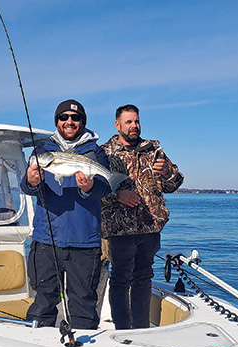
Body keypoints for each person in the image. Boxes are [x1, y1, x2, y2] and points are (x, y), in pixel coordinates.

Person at [21, 99, 111, 329]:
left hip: (84, 241)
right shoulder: (42, 150)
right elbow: (27, 186)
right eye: (64, 117)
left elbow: (104, 188)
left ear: (82, 122)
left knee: (83, 303)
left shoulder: (95, 152)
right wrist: (31, 182)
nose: (69, 122)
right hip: (46, 238)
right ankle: (37, 346)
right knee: (43, 300)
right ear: (57, 121)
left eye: (75, 118)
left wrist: (89, 188)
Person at [101, 104, 184, 329]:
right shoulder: (105, 153)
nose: (134, 126)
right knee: (120, 280)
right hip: (120, 230)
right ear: (118, 125)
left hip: (149, 228)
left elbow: (174, 184)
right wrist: (117, 196)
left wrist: (167, 171)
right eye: (128, 122)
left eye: (136, 121)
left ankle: (140, 329)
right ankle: (122, 329)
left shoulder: (153, 151)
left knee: (144, 278)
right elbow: (93, 192)